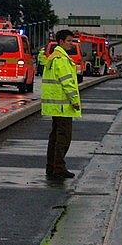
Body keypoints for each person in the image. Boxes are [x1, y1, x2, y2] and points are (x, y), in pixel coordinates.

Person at [41, 30, 82, 179]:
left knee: (55, 137)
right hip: (64, 106)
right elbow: (68, 83)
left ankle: (51, 167)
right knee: (64, 138)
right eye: (69, 41)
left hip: (55, 105)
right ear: (61, 42)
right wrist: (75, 101)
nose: (72, 44)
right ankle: (59, 168)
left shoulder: (53, 57)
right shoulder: (62, 60)